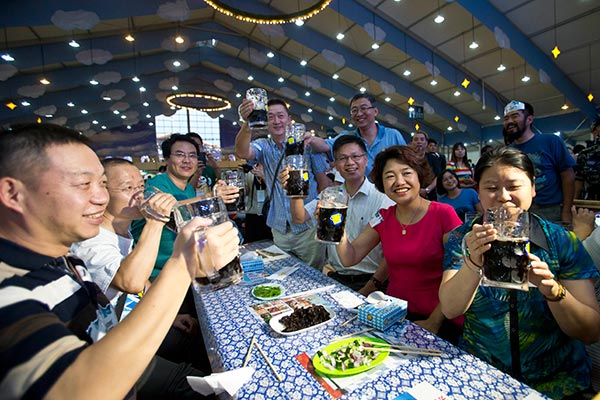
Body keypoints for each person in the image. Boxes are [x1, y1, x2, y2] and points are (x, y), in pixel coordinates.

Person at [0, 123, 240, 398]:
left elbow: (110, 319)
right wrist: (184, 262)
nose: (101, 197)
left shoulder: (65, 259)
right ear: (12, 194)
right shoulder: (9, 292)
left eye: (102, 184)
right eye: (83, 184)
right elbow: (78, 391)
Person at [439, 146, 600, 399]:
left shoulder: (561, 241)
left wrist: (553, 290)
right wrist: (473, 262)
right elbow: (450, 309)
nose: (503, 197)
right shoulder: (463, 237)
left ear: (533, 188)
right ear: (478, 192)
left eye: (513, 186)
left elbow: (591, 332)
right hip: (482, 375)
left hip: (555, 382)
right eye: (491, 188)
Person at [70, 158, 212, 398]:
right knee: (196, 385)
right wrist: (155, 221)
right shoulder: (92, 242)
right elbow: (130, 281)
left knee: (199, 340)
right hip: (105, 353)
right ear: (101, 193)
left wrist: (173, 317)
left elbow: (140, 285)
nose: (139, 196)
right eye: (127, 189)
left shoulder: (121, 231)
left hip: (123, 327)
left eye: (140, 187)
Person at [335, 145, 463, 343]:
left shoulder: (443, 214)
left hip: (440, 319)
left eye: (406, 173)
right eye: (390, 176)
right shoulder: (383, 217)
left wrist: (433, 322)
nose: (399, 182)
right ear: (382, 183)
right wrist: (336, 225)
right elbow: (349, 257)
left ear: (419, 176)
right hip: (394, 315)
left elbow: (461, 272)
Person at [281, 135, 394, 291]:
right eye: (343, 158)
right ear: (336, 165)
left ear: (366, 160)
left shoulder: (383, 198)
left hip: (371, 281)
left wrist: (370, 288)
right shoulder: (330, 195)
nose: (350, 163)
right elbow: (299, 218)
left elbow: (391, 253)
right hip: (336, 279)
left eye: (355, 156)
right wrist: (294, 190)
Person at [235, 98, 330, 267]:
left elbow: (324, 182)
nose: (276, 121)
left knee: (313, 273)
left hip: (308, 228)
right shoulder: (263, 146)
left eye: (280, 116)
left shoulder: (305, 146)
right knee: (282, 274)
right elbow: (242, 152)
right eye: (270, 117)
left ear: (288, 119)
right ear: (265, 121)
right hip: (279, 226)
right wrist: (247, 122)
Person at [503, 100, 576, 223]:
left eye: (515, 116)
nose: (509, 121)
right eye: (506, 118)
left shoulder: (551, 141)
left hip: (550, 210)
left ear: (529, 119)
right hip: (519, 211)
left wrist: (567, 210)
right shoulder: (507, 151)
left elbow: (568, 176)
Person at [306, 93, 407, 177]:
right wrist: (310, 138)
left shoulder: (393, 135)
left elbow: (407, 163)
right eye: (354, 110)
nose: (359, 114)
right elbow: (325, 145)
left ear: (375, 111)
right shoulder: (348, 138)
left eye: (363, 108)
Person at [242, 162, 273, 243]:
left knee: (269, 245)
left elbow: (276, 192)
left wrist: (264, 177)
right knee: (250, 244)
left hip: (268, 215)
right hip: (252, 214)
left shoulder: (272, 170)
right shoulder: (250, 171)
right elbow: (246, 192)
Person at [186, 132, 221, 196]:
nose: (195, 149)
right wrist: (196, 175)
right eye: (191, 146)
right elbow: (186, 193)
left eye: (198, 145)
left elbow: (221, 184)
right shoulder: (183, 170)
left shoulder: (209, 168)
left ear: (202, 147)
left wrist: (216, 168)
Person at [410, 131, 441, 200]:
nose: (419, 142)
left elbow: (437, 176)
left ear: (426, 143)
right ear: (411, 143)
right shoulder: (407, 158)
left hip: (430, 195)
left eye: (422, 139)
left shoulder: (432, 158)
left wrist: (427, 190)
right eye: (416, 139)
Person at [575, 119, 600, 200]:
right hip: (593, 203)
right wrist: (573, 202)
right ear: (595, 132)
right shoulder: (585, 154)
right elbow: (579, 180)